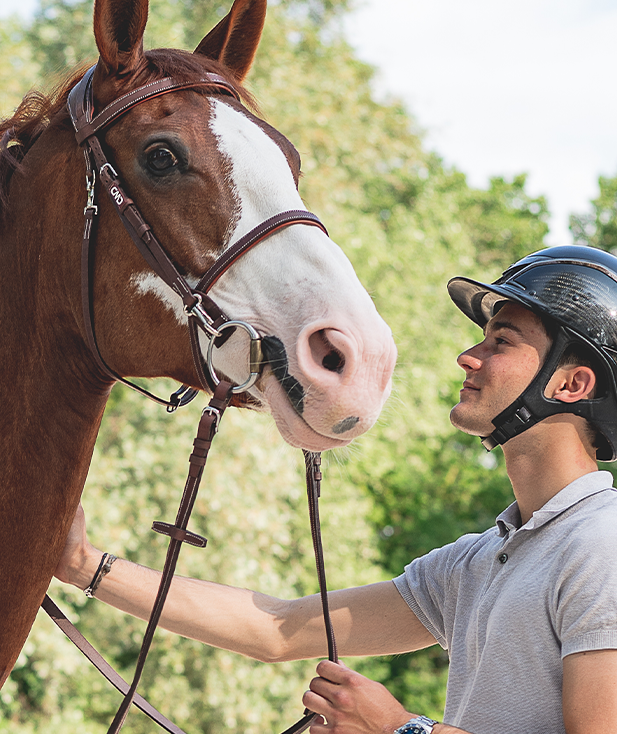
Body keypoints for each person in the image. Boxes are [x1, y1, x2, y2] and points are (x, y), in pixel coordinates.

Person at [55, 245, 617, 734]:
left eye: (502, 341)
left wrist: (401, 729)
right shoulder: (479, 563)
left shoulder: (601, 546)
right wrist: (82, 564)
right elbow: (275, 629)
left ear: (572, 383)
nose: (469, 356)